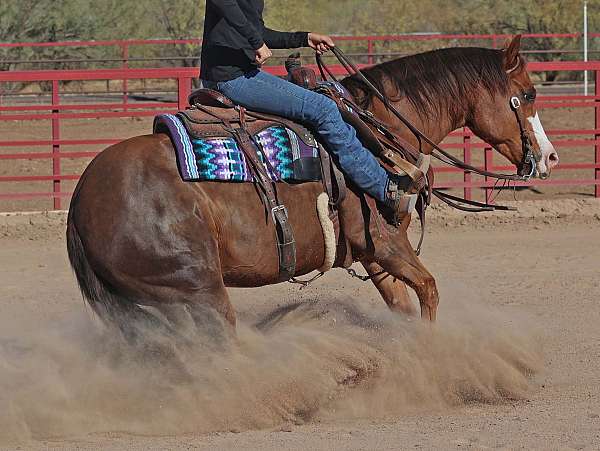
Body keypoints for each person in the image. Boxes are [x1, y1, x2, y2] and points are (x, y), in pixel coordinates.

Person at [200, 0, 417, 218]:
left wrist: (304, 38)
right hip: (232, 79)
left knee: (326, 92)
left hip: (241, 74)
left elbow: (259, 32)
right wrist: (255, 42)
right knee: (323, 109)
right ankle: (383, 188)